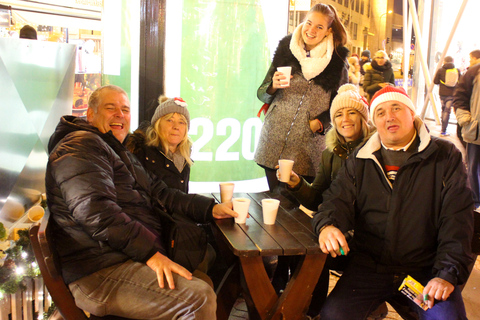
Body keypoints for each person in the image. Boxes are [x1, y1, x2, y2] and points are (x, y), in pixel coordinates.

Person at [45, 85, 237, 319]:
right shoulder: (79, 146)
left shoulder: (114, 149)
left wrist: (210, 208)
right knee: (199, 298)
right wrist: (151, 255)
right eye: (111, 108)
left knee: (203, 276)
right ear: (91, 113)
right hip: (98, 271)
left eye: (125, 110)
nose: (120, 115)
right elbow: (98, 213)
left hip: (120, 256)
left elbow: (161, 192)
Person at [313, 86, 474, 320]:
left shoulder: (444, 156)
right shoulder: (361, 158)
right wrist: (326, 225)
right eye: (380, 112)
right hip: (369, 269)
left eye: (396, 108)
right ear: (374, 122)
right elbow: (335, 200)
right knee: (334, 315)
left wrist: (446, 273)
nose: (389, 116)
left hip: (424, 272)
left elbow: (457, 220)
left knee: (446, 318)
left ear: (412, 114)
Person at [279, 84, 374, 316]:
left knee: (315, 250)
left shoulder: (375, 150)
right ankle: (312, 306)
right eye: (339, 114)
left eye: (352, 113)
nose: (345, 119)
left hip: (362, 243)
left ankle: (316, 307)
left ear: (363, 117)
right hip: (337, 233)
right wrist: (296, 183)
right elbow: (317, 200)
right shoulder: (330, 153)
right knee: (304, 247)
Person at [254, 3, 349, 192]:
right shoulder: (286, 49)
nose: (311, 30)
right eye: (308, 23)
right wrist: (272, 85)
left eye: (319, 27)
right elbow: (261, 94)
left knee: (296, 208)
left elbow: (340, 105)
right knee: (274, 201)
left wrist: (320, 123)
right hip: (273, 140)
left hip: (307, 148)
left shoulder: (337, 61)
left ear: (328, 31)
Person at [127, 96, 192, 193]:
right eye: (169, 120)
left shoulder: (184, 157)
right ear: (157, 124)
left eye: (181, 122)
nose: (176, 127)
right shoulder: (141, 154)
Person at [454, 56, 480, 210]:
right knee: (473, 168)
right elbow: (460, 96)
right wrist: (466, 120)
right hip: (477, 133)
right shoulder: (475, 71)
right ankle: (475, 201)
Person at [433, 56, 461, 136]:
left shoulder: (441, 70)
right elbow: (461, 82)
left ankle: (442, 129)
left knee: (443, 109)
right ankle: (444, 130)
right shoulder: (457, 70)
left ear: (444, 61)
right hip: (452, 94)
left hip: (442, 93)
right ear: (453, 61)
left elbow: (435, 81)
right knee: (447, 111)